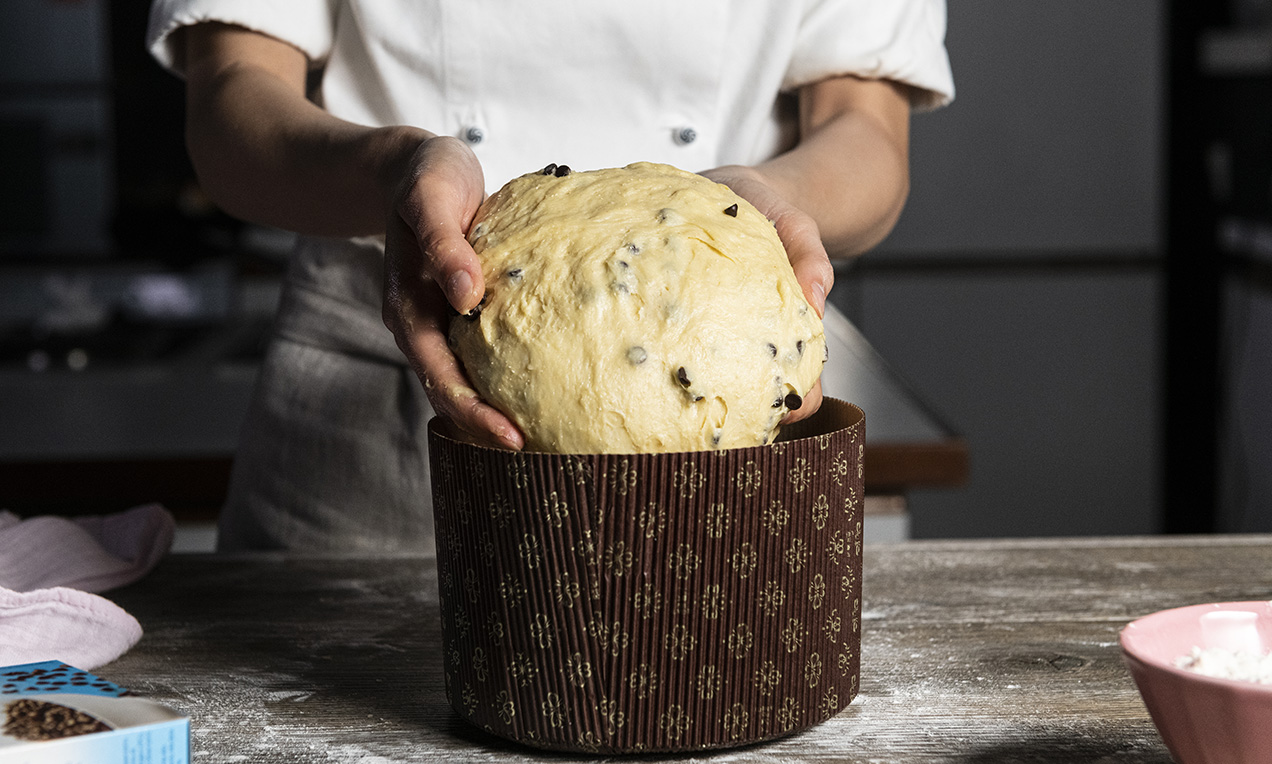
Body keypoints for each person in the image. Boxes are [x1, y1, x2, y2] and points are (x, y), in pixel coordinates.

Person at [146, 1, 954, 552]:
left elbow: (866, 127)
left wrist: (773, 206)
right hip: (377, 416)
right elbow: (230, 99)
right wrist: (394, 172)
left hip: (722, 422)